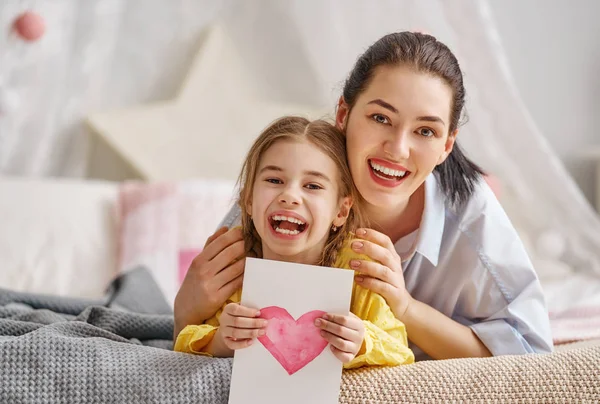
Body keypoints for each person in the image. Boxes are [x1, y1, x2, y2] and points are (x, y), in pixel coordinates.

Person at [174, 32, 553, 361]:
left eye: (425, 131)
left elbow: (531, 354)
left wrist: (406, 309)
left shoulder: (471, 215)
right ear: (344, 114)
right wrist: (186, 307)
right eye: (381, 118)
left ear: (446, 146)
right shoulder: (291, 184)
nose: (398, 149)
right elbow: (196, 329)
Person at [174, 116, 415, 368]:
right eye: (274, 181)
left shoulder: (358, 269)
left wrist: (364, 342)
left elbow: (401, 351)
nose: (289, 196)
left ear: (341, 211)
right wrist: (222, 341)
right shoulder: (236, 268)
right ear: (247, 200)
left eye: (312, 186)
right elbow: (185, 343)